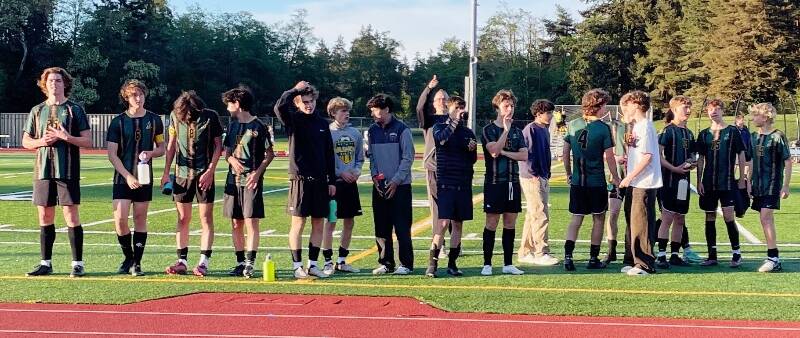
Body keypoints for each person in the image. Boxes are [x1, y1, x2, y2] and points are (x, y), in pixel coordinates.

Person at [22, 67, 92, 277]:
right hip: (43, 170)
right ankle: (45, 263)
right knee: (45, 214)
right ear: (45, 85)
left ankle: (77, 263)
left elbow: (88, 141)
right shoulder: (37, 110)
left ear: (65, 84)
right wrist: (40, 141)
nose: (54, 84)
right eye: (51, 81)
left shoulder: (75, 110)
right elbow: (26, 141)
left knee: (70, 214)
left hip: (67, 169)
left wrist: (66, 137)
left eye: (58, 80)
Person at [274, 81, 336, 279]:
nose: (309, 105)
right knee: (298, 223)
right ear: (298, 103)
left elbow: (329, 154)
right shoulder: (292, 120)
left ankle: (312, 265)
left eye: (311, 101)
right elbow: (279, 106)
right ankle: (297, 266)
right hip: (300, 180)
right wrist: (295, 89)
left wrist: (331, 180)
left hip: (320, 181)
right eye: (305, 102)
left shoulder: (322, 124)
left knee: (318, 223)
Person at [107, 79, 165, 276]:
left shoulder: (155, 120)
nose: (137, 98)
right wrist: (127, 175)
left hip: (144, 177)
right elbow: (112, 154)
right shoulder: (118, 122)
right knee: (120, 219)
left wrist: (150, 154)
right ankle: (128, 257)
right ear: (126, 97)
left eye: (140, 94)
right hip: (123, 178)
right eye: (133, 95)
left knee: (140, 218)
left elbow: (162, 149)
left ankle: (137, 263)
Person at [161, 91, 223, 277]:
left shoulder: (210, 116)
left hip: (204, 174)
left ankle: (204, 262)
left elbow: (218, 145)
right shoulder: (174, 115)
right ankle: (182, 261)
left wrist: (211, 171)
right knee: (182, 218)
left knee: (206, 218)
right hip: (181, 174)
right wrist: (166, 173)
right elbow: (171, 144)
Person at [562, 88, 621, 271]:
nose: (606, 109)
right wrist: (616, 177)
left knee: (576, 218)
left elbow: (565, 152)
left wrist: (569, 173)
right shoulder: (603, 128)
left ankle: (568, 256)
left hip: (578, 181)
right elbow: (610, 157)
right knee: (598, 218)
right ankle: (593, 258)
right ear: (599, 106)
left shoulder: (573, 124)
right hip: (596, 182)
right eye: (604, 105)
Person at [222, 87, 275, 279]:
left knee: (251, 222)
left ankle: (250, 263)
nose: (228, 108)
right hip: (232, 181)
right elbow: (226, 152)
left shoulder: (259, 126)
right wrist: (231, 160)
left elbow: (270, 154)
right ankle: (240, 262)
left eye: (229, 104)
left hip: (251, 181)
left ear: (237, 104)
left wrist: (257, 173)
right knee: (236, 222)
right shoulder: (233, 125)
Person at [426, 96, 477, 277]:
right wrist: (454, 120)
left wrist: (472, 149)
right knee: (443, 222)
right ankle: (432, 263)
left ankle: (453, 263)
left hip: (463, 183)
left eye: (462, 108)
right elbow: (442, 139)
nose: (461, 111)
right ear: (449, 108)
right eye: (457, 107)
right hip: (446, 181)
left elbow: (472, 160)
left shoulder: (468, 132)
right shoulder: (439, 127)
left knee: (458, 224)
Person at [367, 94, 415, 275]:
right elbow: (371, 157)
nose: (373, 113)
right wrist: (374, 177)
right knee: (381, 225)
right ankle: (386, 262)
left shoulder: (403, 130)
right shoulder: (372, 131)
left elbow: (407, 158)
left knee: (402, 226)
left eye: (375, 109)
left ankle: (406, 264)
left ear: (386, 109)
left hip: (401, 186)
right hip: (380, 186)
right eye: (371, 110)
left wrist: (395, 180)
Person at [480, 90, 526, 276]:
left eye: (512, 105)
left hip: (512, 182)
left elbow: (524, 155)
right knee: (492, 222)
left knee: (510, 222)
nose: (510, 109)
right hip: (494, 182)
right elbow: (493, 151)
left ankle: (508, 263)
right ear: (497, 107)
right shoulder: (488, 130)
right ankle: (487, 263)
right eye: (506, 105)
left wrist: (506, 153)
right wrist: (505, 131)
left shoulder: (518, 131)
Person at [696, 99, 747, 268]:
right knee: (709, 216)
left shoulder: (732, 131)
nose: (714, 112)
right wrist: (699, 180)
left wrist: (740, 179)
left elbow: (741, 154)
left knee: (728, 217)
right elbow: (701, 158)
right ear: (707, 112)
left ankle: (736, 254)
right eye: (711, 109)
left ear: (722, 111)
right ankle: (712, 255)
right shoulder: (704, 134)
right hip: (709, 183)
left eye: (717, 109)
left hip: (727, 183)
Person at [618, 91, 661, 276]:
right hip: (635, 181)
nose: (624, 110)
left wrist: (628, 177)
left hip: (643, 182)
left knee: (641, 222)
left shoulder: (645, 126)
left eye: (625, 106)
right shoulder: (636, 127)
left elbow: (647, 157)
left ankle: (644, 264)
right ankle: (631, 258)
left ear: (635, 105)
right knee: (632, 221)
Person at [747, 103, 791, 272]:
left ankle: (773, 257)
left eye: (756, 115)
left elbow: (787, 161)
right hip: (757, 186)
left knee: (766, 218)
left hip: (772, 185)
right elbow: (750, 161)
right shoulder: (753, 136)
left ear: (765, 117)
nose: (753, 118)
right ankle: (773, 257)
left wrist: (785, 186)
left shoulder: (778, 136)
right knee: (763, 219)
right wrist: (748, 181)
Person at [322, 97, 364, 275]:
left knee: (349, 222)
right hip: (334, 185)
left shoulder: (355, 133)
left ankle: (342, 260)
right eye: (342, 111)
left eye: (347, 111)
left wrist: (356, 171)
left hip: (350, 185)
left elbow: (360, 158)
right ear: (333, 113)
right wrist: (340, 173)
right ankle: (327, 261)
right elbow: (325, 161)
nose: (346, 114)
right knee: (330, 222)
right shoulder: (327, 133)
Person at [654, 96, 696, 269]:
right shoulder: (667, 131)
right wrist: (674, 168)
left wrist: (692, 162)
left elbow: (693, 154)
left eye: (689, 107)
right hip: (669, 180)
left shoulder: (689, 133)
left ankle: (675, 255)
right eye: (684, 107)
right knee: (667, 217)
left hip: (684, 182)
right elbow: (658, 154)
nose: (688, 110)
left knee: (680, 218)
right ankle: (661, 255)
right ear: (674, 110)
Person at [517, 99, 559, 266]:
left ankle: (525, 251)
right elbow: (526, 153)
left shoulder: (545, 129)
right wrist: (533, 174)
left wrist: (546, 174)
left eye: (551, 112)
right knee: (540, 214)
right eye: (547, 113)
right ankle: (541, 252)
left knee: (532, 215)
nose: (550, 116)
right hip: (531, 177)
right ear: (538, 114)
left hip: (542, 175)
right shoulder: (531, 129)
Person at [416, 75, 450, 259]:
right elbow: (419, 107)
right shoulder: (429, 120)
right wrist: (429, 88)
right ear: (434, 102)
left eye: (445, 98)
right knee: (437, 208)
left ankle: (454, 242)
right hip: (434, 169)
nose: (442, 101)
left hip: (452, 169)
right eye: (439, 99)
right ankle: (439, 244)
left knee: (453, 206)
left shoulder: (455, 119)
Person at [602, 107, 628, 266]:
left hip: (634, 179)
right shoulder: (614, 127)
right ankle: (611, 251)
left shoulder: (642, 127)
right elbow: (603, 151)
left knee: (634, 216)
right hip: (616, 179)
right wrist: (614, 157)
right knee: (613, 214)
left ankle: (631, 251)